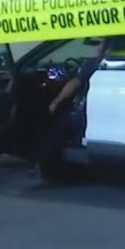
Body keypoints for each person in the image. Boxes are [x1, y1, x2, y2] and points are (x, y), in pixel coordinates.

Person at [35, 38, 106, 177]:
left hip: (84, 111)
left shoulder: (93, 63)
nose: (95, 48)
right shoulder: (108, 64)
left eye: (98, 44)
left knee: (55, 128)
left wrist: (55, 102)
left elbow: (75, 83)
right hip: (97, 111)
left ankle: (46, 168)